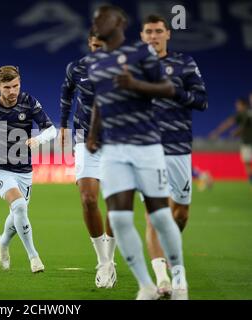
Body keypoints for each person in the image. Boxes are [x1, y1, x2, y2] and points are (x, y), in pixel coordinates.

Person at [86, 5, 188, 300]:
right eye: (94, 19)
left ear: (119, 22)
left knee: (159, 215)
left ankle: (179, 275)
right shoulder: (96, 63)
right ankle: (146, 285)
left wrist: (136, 85)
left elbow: (168, 88)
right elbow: (100, 102)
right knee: (118, 219)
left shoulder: (141, 54)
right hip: (114, 150)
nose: (97, 22)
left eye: (102, 17)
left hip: (146, 146)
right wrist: (93, 134)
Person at [139, 14, 208, 298]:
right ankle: (165, 276)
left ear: (167, 33)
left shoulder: (184, 64)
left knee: (180, 212)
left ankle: (171, 258)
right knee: (154, 216)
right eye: (148, 32)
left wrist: (174, 91)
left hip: (178, 146)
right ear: (142, 36)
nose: (153, 36)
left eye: (158, 31)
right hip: (145, 148)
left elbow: (201, 101)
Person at [0, 66, 57, 273]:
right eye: (7, 87)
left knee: (18, 213)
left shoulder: (29, 103)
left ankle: (3, 242)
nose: (12, 91)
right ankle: (34, 257)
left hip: (24, 170)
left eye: (15, 86)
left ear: (20, 83)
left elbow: (51, 130)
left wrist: (38, 139)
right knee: (20, 207)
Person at [59, 29, 117, 288]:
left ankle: (111, 259)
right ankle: (103, 261)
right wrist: (62, 125)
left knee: (116, 203)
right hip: (85, 139)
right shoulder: (77, 67)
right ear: (89, 44)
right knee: (88, 197)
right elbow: (66, 92)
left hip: (117, 140)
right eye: (94, 45)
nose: (98, 50)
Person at [210, 98, 252, 187]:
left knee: (247, 163)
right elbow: (230, 123)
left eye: (238, 105)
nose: (237, 107)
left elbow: (235, 125)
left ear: (243, 105)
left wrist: (236, 132)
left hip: (248, 142)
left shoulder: (246, 113)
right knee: (247, 163)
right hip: (246, 142)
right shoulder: (243, 114)